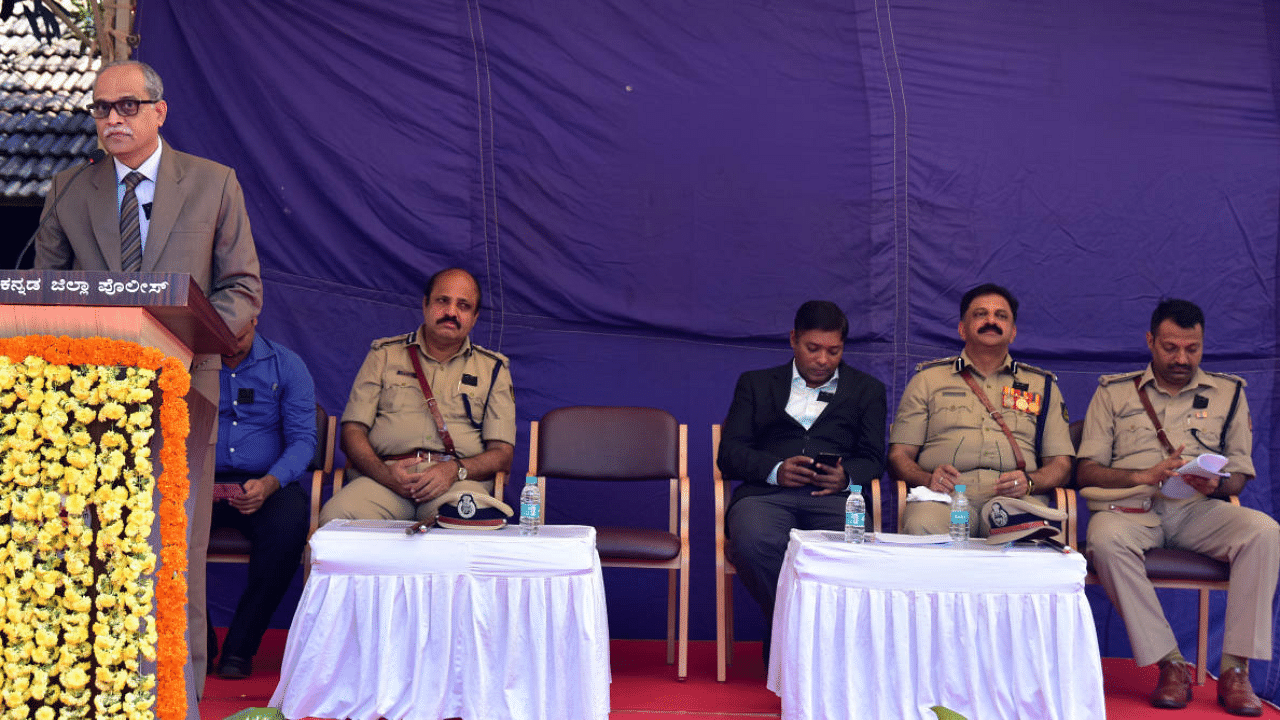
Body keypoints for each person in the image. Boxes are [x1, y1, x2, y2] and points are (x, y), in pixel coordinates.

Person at [34, 60, 262, 713]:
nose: (113, 119)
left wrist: (203, 341)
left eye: (127, 106)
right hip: (89, 407)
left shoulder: (215, 185)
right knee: (96, 552)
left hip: (181, 398)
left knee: (172, 556)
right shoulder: (68, 190)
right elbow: (45, 293)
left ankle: (173, 702)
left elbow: (242, 289)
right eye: (102, 109)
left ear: (159, 111)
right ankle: (95, 695)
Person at [1077, 299, 1279, 716]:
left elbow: (1240, 473)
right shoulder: (1113, 392)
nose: (1182, 358)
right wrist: (1142, 475)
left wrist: (1218, 483)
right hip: (1131, 510)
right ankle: (1171, 662)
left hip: (1197, 511)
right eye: (1171, 347)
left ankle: (1235, 669)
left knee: (1265, 531)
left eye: (1192, 348)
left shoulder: (1229, 393)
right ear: (1150, 342)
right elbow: (1087, 471)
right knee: (1104, 539)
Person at [717, 300, 886, 657]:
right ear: (794, 340)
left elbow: (874, 458)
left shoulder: (867, 390)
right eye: (813, 348)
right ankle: (803, 641)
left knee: (853, 551)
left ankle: (788, 644)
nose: (823, 359)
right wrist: (775, 470)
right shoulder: (756, 384)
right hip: (765, 496)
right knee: (750, 540)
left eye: (833, 351)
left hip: (837, 500)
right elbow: (729, 453)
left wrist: (846, 476)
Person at [320, 268, 515, 523]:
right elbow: (352, 432)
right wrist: (385, 474)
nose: (451, 312)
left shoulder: (493, 369)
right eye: (442, 300)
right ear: (425, 305)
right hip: (384, 482)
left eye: (463, 306)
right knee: (337, 519)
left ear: (475, 317)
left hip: (455, 485)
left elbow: (502, 452)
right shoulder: (384, 355)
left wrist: (453, 470)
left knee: (470, 524)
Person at [888, 283, 1072, 536]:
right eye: (980, 314)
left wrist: (1029, 483)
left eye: (1001, 316)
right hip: (945, 497)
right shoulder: (928, 380)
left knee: (1023, 535)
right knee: (923, 525)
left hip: (1013, 498)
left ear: (1013, 332)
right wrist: (926, 478)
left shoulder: (1041, 385)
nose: (991, 321)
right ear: (962, 329)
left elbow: (1060, 463)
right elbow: (900, 455)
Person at [207, 319, 316, 680]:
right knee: (157, 525)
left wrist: (270, 483)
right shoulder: (191, 360)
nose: (230, 344)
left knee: (288, 527)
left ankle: (240, 648)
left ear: (255, 319)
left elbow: (303, 440)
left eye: (238, 335)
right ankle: (198, 642)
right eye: (221, 334)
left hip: (265, 482)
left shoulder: (286, 365)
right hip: (198, 479)